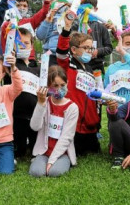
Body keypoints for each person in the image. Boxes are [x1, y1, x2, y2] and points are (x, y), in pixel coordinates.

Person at [56, 10, 100, 155]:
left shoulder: (90, 69)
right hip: (74, 126)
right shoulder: (67, 65)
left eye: (91, 48)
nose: (89, 51)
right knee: (78, 152)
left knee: (94, 151)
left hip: (90, 126)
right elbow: (61, 52)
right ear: (74, 50)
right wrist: (66, 29)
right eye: (86, 48)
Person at [29, 65, 79, 177]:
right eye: (55, 86)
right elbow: (35, 126)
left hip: (62, 152)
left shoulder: (72, 107)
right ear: (48, 87)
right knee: (36, 172)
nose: (59, 89)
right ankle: (40, 161)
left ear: (67, 83)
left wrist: (51, 161)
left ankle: (61, 162)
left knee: (54, 173)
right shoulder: (45, 102)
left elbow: (67, 137)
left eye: (62, 85)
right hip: (44, 151)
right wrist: (40, 104)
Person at [0, 0, 53, 65]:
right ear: (11, 7)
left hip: (30, 60)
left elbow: (45, 11)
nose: (22, 8)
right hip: (13, 60)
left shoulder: (31, 21)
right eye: (18, 5)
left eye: (25, 6)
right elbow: (3, 45)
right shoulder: (6, 25)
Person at [10, 28, 40, 158]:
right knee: (19, 151)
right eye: (19, 43)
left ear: (32, 45)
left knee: (35, 149)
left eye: (26, 43)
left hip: (35, 113)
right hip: (17, 115)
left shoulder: (38, 67)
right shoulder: (10, 64)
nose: (23, 45)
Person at [104, 31, 130, 106]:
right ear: (120, 45)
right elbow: (106, 90)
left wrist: (123, 52)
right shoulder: (111, 68)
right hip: (115, 111)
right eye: (128, 43)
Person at [36, 0, 69, 66]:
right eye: (57, 0)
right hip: (49, 54)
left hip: (66, 55)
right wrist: (48, 19)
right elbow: (40, 36)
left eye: (63, 1)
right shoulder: (46, 17)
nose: (60, 4)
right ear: (51, 1)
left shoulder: (69, 16)